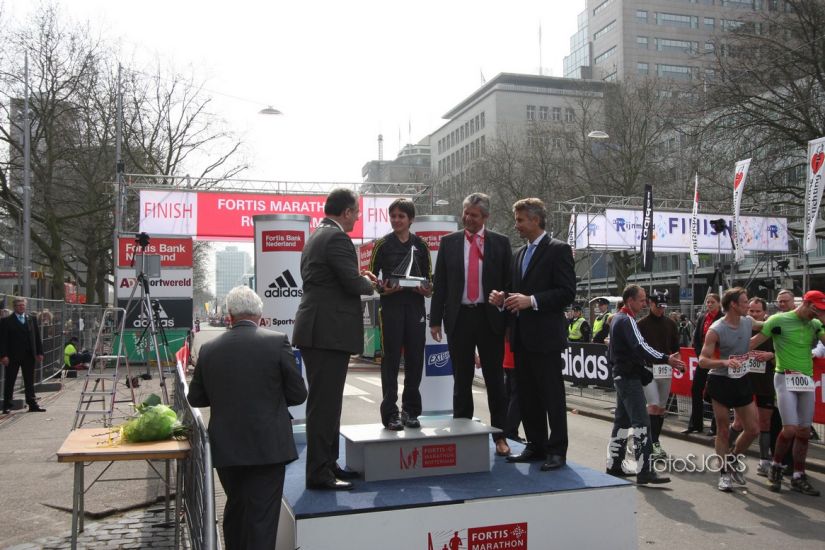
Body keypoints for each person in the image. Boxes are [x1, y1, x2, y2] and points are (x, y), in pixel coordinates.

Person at [188, 286, 307, 550]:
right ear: (260, 315)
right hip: (269, 447)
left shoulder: (209, 349)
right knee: (262, 517)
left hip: (227, 448)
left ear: (230, 315)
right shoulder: (277, 342)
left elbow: (196, 398)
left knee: (236, 509)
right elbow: (298, 394)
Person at [293, 188, 378, 491]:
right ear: (346, 212)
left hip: (320, 330)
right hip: (327, 332)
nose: (357, 218)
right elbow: (352, 283)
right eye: (356, 213)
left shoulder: (318, 235)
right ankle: (320, 472)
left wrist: (358, 278)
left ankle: (328, 464)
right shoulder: (337, 239)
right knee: (324, 407)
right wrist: (367, 281)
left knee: (326, 404)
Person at [489, 198, 576, 471]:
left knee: (552, 396)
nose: (516, 225)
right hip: (521, 337)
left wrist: (533, 301)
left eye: (520, 220)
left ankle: (557, 450)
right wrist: (502, 298)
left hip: (546, 338)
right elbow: (516, 291)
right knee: (526, 396)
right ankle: (536, 445)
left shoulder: (558, 250)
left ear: (535, 220)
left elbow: (567, 292)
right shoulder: (518, 254)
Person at [430, 192, 512, 458]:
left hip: (490, 319)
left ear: (485, 217)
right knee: (462, 380)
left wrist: (505, 305)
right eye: (465, 213)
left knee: (495, 381)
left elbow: (510, 282)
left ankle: (501, 436)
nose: (468, 218)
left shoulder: (500, 243)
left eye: (474, 215)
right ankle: (463, 433)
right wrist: (435, 320)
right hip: (460, 318)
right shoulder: (449, 243)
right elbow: (440, 283)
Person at [605, 285, 684, 484]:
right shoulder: (627, 320)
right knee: (642, 423)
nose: (644, 304)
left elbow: (615, 351)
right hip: (628, 377)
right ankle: (645, 470)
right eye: (641, 300)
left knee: (622, 422)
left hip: (623, 375)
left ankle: (614, 464)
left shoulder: (618, 319)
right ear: (630, 300)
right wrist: (666, 358)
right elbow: (640, 346)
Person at [750, 289, 825, 496]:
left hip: (806, 380)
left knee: (804, 431)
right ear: (806, 304)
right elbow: (754, 342)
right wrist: (729, 359)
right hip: (784, 377)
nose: (817, 313)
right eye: (816, 309)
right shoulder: (778, 320)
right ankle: (776, 466)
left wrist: (822, 320)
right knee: (790, 429)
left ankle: (799, 475)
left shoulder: (815, 323)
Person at [698, 288, 772, 492]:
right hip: (720, 381)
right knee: (723, 429)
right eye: (745, 302)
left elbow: (766, 325)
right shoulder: (716, 329)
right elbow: (702, 360)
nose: (748, 306)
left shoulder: (748, 321)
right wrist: (725, 362)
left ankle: (732, 459)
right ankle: (724, 474)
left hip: (741, 380)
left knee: (753, 429)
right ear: (733, 304)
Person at [368, 198, 432, 430]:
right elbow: (370, 277)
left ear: (410, 219)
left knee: (415, 359)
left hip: (415, 307)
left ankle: (410, 411)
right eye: (393, 216)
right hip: (391, 308)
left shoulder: (421, 245)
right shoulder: (382, 245)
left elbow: (430, 281)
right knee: (391, 361)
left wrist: (426, 290)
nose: (396, 220)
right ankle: (390, 414)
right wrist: (382, 288)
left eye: (401, 216)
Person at [636, 290, 680, 460]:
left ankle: (655, 440)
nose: (661, 309)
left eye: (664, 307)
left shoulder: (670, 324)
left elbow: (676, 348)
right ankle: (652, 442)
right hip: (648, 369)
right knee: (653, 406)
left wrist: (679, 363)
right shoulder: (641, 324)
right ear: (651, 304)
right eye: (659, 306)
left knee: (661, 408)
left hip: (665, 369)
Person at [742, 297, 776, 477]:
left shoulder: (773, 330)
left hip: (765, 382)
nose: (754, 314)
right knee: (739, 422)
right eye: (751, 311)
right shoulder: (741, 328)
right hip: (744, 381)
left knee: (765, 422)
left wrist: (771, 355)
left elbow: (781, 354)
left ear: (765, 313)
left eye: (757, 311)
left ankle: (764, 461)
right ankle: (728, 456)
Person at [0, 297, 46, 414]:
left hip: (28, 355)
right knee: (10, 380)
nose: (21, 307)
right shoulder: (6, 321)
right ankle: (7, 405)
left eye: (23, 305)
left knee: (29, 381)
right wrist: (3, 355)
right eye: (19, 305)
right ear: (14, 307)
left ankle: (32, 404)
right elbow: (3, 340)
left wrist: (39, 352)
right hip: (12, 356)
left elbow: (36, 337)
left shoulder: (31, 319)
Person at [685, 293, 721, 434]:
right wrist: (701, 355)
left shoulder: (723, 318)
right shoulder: (702, 317)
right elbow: (696, 339)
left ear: (719, 303)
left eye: (712, 302)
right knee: (696, 389)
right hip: (703, 360)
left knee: (715, 393)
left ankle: (715, 427)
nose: (709, 304)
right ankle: (695, 424)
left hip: (717, 361)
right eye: (708, 302)